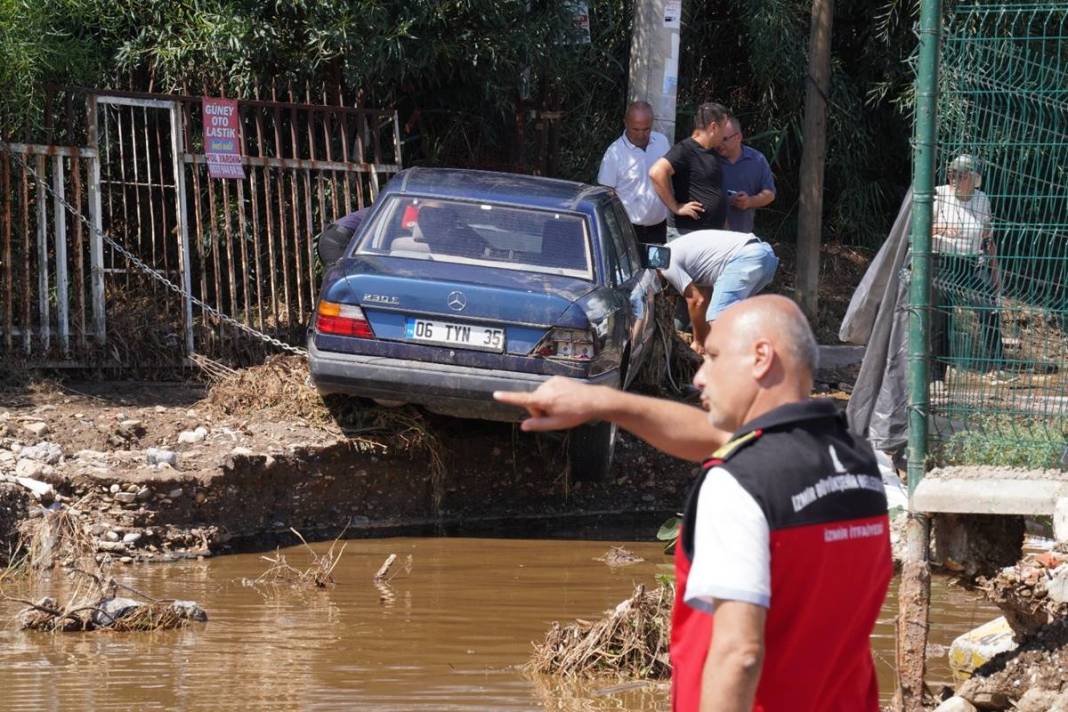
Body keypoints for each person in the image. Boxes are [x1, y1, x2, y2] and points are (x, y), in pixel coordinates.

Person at [494, 295, 891, 712]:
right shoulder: (855, 462)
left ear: (760, 358)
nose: (700, 378)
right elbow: (720, 437)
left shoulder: (738, 483)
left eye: (713, 357)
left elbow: (739, 653)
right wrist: (601, 402)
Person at [930, 153, 1005, 380]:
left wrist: (995, 272)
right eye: (952, 174)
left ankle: (997, 367)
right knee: (941, 317)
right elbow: (915, 232)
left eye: (961, 175)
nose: (955, 178)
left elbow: (988, 239)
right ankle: (935, 376)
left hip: (971, 263)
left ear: (974, 179)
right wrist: (940, 228)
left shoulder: (982, 200)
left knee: (988, 307)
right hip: (942, 261)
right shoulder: (938, 196)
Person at [659, 230, 778, 353]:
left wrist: (699, 342)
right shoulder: (680, 256)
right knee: (738, 317)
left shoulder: (664, 262)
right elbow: (704, 297)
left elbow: (697, 301)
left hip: (746, 257)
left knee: (718, 320)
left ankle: (731, 367)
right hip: (764, 255)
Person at [649, 102, 731, 238]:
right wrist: (676, 207)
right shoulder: (685, 149)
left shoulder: (712, 152)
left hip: (711, 233)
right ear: (714, 127)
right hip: (688, 233)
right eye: (724, 129)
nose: (724, 135)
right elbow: (656, 172)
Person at [597, 101, 671, 244]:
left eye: (646, 129)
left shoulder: (662, 142)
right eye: (636, 129)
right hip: (627, 230)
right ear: (626, 123)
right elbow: (606, 194)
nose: (641, 134)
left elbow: (668, 177)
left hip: (659, 227)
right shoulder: (614, 153)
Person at [717, 116, 776, 233]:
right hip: (710, 236)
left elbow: (770, 194)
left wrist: (749, 201)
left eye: (724, 139)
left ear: (738, 137)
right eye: (717, 139)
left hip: (742, 236)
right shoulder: (709, 159)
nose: (719, 144)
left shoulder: (756, 160)